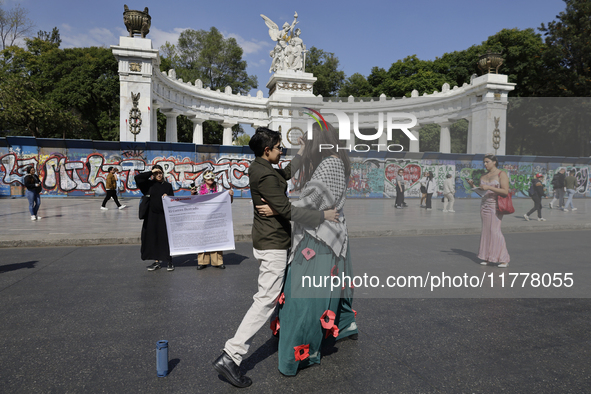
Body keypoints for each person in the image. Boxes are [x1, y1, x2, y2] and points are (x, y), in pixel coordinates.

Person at [212, 127, 336, 388]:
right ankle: (231, 355)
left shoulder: (263, 167)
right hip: (273, 244)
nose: (283, 150)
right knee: (265, 300)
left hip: (270, 239)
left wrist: (301, 151)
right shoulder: (265, 174)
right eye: (280, 147)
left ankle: (286, 333)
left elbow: (286, 175)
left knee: (276, 294)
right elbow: (286, 210)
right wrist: (323, 216)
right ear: (267, 150)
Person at [261, 120, 358, 376]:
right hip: (332, 235)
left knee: (301, 296)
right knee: (327, 289)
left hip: (318, 237)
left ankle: (297, 351)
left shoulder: (329, 163)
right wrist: (304, 151)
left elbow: (311, 200)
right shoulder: (340, 159)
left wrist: (278, 208)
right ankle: (340, 329)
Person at [467, 154, 510, 268]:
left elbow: (505, 191)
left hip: (495, 205)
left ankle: (503, 258)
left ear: (494, 162)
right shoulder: (483, 175)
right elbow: (482, 193)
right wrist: (473, 186)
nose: (485, 164)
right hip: (484, 205)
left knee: (495, 231)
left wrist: (489, 187)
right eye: (484, 162)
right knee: (486, 231)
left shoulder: (502, 174)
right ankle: (487, 257)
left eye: (487, 162)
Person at [134, 165, 175, 272]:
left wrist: (168, 197)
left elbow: (173, 200)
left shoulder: (168, 186)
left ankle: (169, 261)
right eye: (156, 173)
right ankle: (157, 262)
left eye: (160, 172)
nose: (159, 175)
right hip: (151, 216)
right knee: (153, 238)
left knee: (165, 238)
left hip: (163, 216)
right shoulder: (148, 185)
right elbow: (138, 178)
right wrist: (151, 172)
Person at [192, 170, 234, 270]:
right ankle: (202, 262)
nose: (210, 179)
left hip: (215, 217)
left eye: (212, 177)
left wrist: (230, 195)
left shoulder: (219, 188)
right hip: (203, 217)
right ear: (204, 178)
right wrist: (193, 195)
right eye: (208, 177)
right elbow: (194, 203)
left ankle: (217, 262)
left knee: (216, 238)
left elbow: (227, 202)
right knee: (202, 238)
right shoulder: (198, 189)